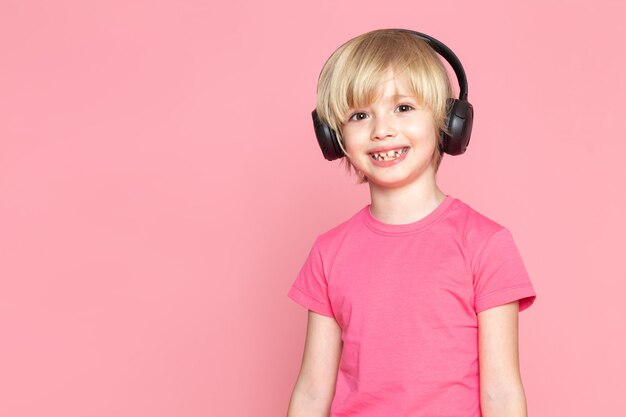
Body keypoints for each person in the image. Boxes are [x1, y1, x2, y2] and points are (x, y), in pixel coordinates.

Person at [286, 28, 537, 417]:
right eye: (359, 114)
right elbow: (311, 392)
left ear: (448, 123)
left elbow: (502, 392)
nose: (381, 129)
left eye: (403, 107)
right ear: (334, 139)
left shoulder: (486, 244)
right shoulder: (328, 252)